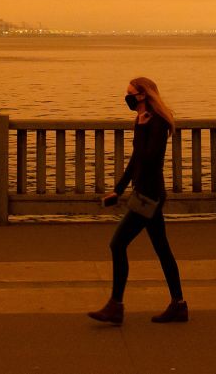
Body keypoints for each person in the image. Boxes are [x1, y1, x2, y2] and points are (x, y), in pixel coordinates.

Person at [87, 76, 187, 325]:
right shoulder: (143, 121)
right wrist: (118, 190)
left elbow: (150, 158)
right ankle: (179, 304)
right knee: (162, 249)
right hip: (145, 192)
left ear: (143, 95)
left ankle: (116, 306)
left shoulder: (156, 123)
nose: (127, 97)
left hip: (149, 196)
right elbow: (135, 161)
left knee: (117, 244)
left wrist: (141, 130)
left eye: (130, 93)